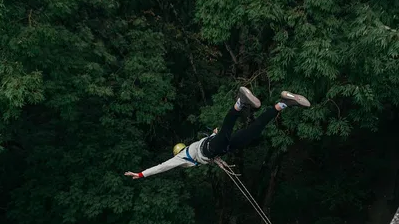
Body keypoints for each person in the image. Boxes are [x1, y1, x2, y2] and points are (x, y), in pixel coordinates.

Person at [124, 87, 311, 179]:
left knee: (228, 128)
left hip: (214, 149)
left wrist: (141, 174)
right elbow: (209, 140)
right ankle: (284, 103)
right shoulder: (194, 146)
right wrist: (214, 135)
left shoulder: (182, 158)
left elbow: (162, 166)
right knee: (254, 131)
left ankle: (240, 102)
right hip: (221, 147)